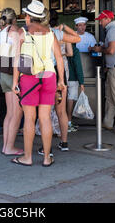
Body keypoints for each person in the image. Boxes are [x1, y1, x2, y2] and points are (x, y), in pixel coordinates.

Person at [11, 0, 66, 167]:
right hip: (49, 76)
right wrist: (61, 80)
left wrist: (15, 82)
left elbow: (17, 59)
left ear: (29, 17)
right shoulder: (50, 33)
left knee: (29, 118)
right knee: (45, 118)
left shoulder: (22, 32)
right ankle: (47, 158)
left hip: (29, 78)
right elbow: (59, 58)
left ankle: (27, 158)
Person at [39, 9, 80, 154]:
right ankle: (64, 142)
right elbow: (77, 38)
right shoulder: (58, 34)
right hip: (59, 73)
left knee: (46, 112)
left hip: (44, 74)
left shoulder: (36, 33)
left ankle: (47, 147)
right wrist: (65, 27)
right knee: (61, 111)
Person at [0, 8, 24, 156]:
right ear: (15, 20)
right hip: (14, 75)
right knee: (17, 112)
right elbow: (19, 56)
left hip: (3, 75)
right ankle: (10, 147)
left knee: (9, 113)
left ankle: (6, 146)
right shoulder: (16, 32)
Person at [93, 10, 115, 134]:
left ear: (108, 19)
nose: (100, 23)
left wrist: (100, 49)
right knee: (110, 97)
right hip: (114, 67)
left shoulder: (112, 31)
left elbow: (112, 50)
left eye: (101, 20)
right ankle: (108, 122)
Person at [67, 43, 85, 128]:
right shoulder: (74, 50)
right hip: (72, 78)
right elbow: (78, 66)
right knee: (71, 99)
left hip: (59, 78)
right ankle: (68, 122)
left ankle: (59, 122)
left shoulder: (57, 46)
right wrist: (81, 82)